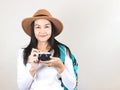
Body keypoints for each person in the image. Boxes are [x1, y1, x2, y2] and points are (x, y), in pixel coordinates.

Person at [17, 9, 78, 90]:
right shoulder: (23, 52)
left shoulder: (63, 50)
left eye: (46, 26)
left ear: (52, 29)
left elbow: (71, 86)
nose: (42, 31)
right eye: (38, 27)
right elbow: (22, 88)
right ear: (33, 30)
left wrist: (61, 67)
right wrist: (32, 68)